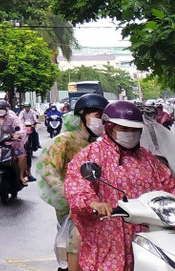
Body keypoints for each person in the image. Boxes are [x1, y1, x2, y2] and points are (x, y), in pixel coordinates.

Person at [64, 100, 175, 271]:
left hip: (150, 234)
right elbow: (77, 186)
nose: (130, 134)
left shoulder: (147, 158)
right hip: (109, 236)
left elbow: (169, 184)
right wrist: (93, 203)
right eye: (124, 129)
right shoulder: (92, 154)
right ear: (109, 127)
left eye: (134, 130)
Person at [36, 93, 109, 271]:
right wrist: (70, 197)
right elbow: (47, 169)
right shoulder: (64, 140)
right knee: (76, 242)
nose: (101, 122)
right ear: (82, 116)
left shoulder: (100, 144)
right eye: (97, 117)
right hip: (71, 206)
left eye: (104, 118)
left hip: (100, 206)